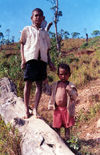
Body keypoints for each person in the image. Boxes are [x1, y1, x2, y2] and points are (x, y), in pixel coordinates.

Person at [20, 8, 55, 119]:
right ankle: (26, 110)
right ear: (32, 18)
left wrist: (50, 62)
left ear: (43, 18)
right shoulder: (27, 29)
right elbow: (22, 44)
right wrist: (23, 59)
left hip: (42, 61)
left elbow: (48, 49)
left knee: (39, 85)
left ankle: (35, 109)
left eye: (40, 16)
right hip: (31, 59)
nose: (37, 17)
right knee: (28, 84)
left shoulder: (44, 33)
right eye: (35, 15)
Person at [48, 63, 78, 140]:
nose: (63, 76)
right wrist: (44, 82)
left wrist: (70, 91)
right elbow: (48, 91)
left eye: (65, 74)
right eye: (61, 74)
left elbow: (75, 96)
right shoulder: (55, 84)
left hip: (67, 110)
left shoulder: (70, 85)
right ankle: (58, 141)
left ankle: (68, 141)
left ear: (69, 75)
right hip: (57, 109)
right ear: (58, 75)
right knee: (57, 127)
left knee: (67, 127)